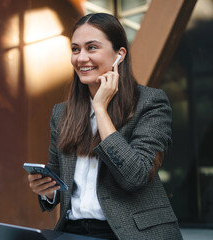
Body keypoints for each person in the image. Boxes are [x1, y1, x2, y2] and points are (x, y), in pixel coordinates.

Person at [27, 13, 182, 240]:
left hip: (130, 233)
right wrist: (48, 191)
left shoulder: (151, 103)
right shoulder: (62, 113)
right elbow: (58, 178)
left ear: (119, 55)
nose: (81, 58)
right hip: (73, 231)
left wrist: (100, 109)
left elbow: (135, 176)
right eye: (75, 49)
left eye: (92, 48)